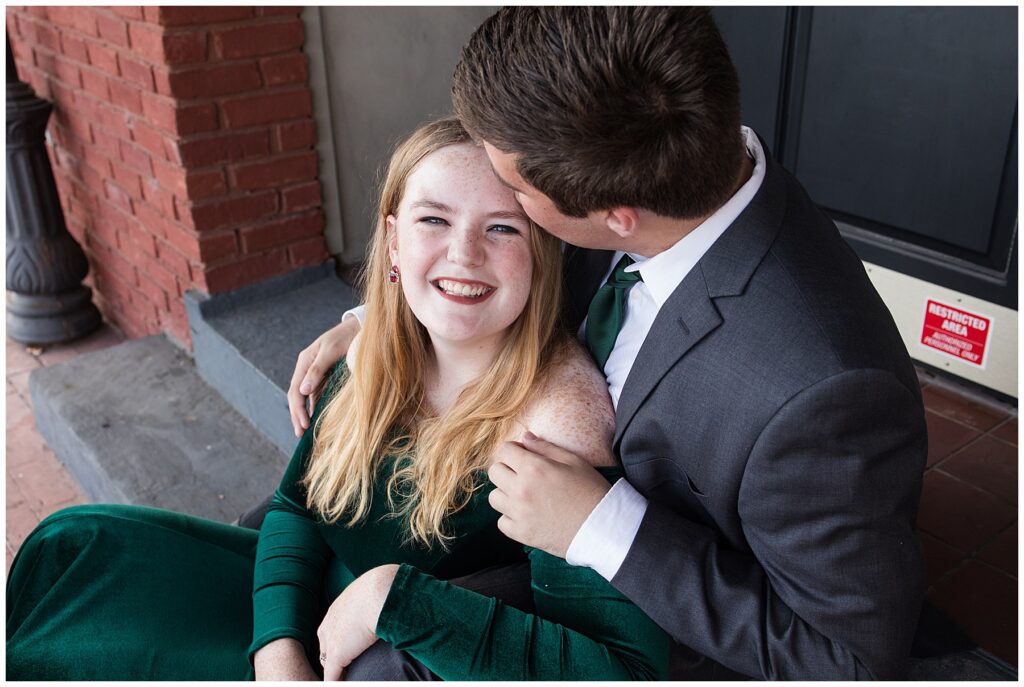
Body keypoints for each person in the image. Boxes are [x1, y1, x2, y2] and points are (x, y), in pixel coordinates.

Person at [287, 7, 928, 680]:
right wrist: (379, 314)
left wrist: (604, 522)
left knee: (388, 660)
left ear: (613, 217)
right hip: (524, 512)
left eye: (514, 193)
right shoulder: (669, 162)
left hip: (656, 610)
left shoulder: (822, 392)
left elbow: (852, 659)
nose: (498, 193)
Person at [6, 117, 670, 681]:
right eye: (433, 219)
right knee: (77, 562)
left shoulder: (555, 419)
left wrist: (391, 599)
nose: (464, 253)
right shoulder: (376, 351)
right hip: (294, 616)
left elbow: (614, 665)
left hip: (392, 651)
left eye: (503, 229)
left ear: (542, 255)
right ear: (393, 242)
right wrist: (276, 647)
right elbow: (297, 506)